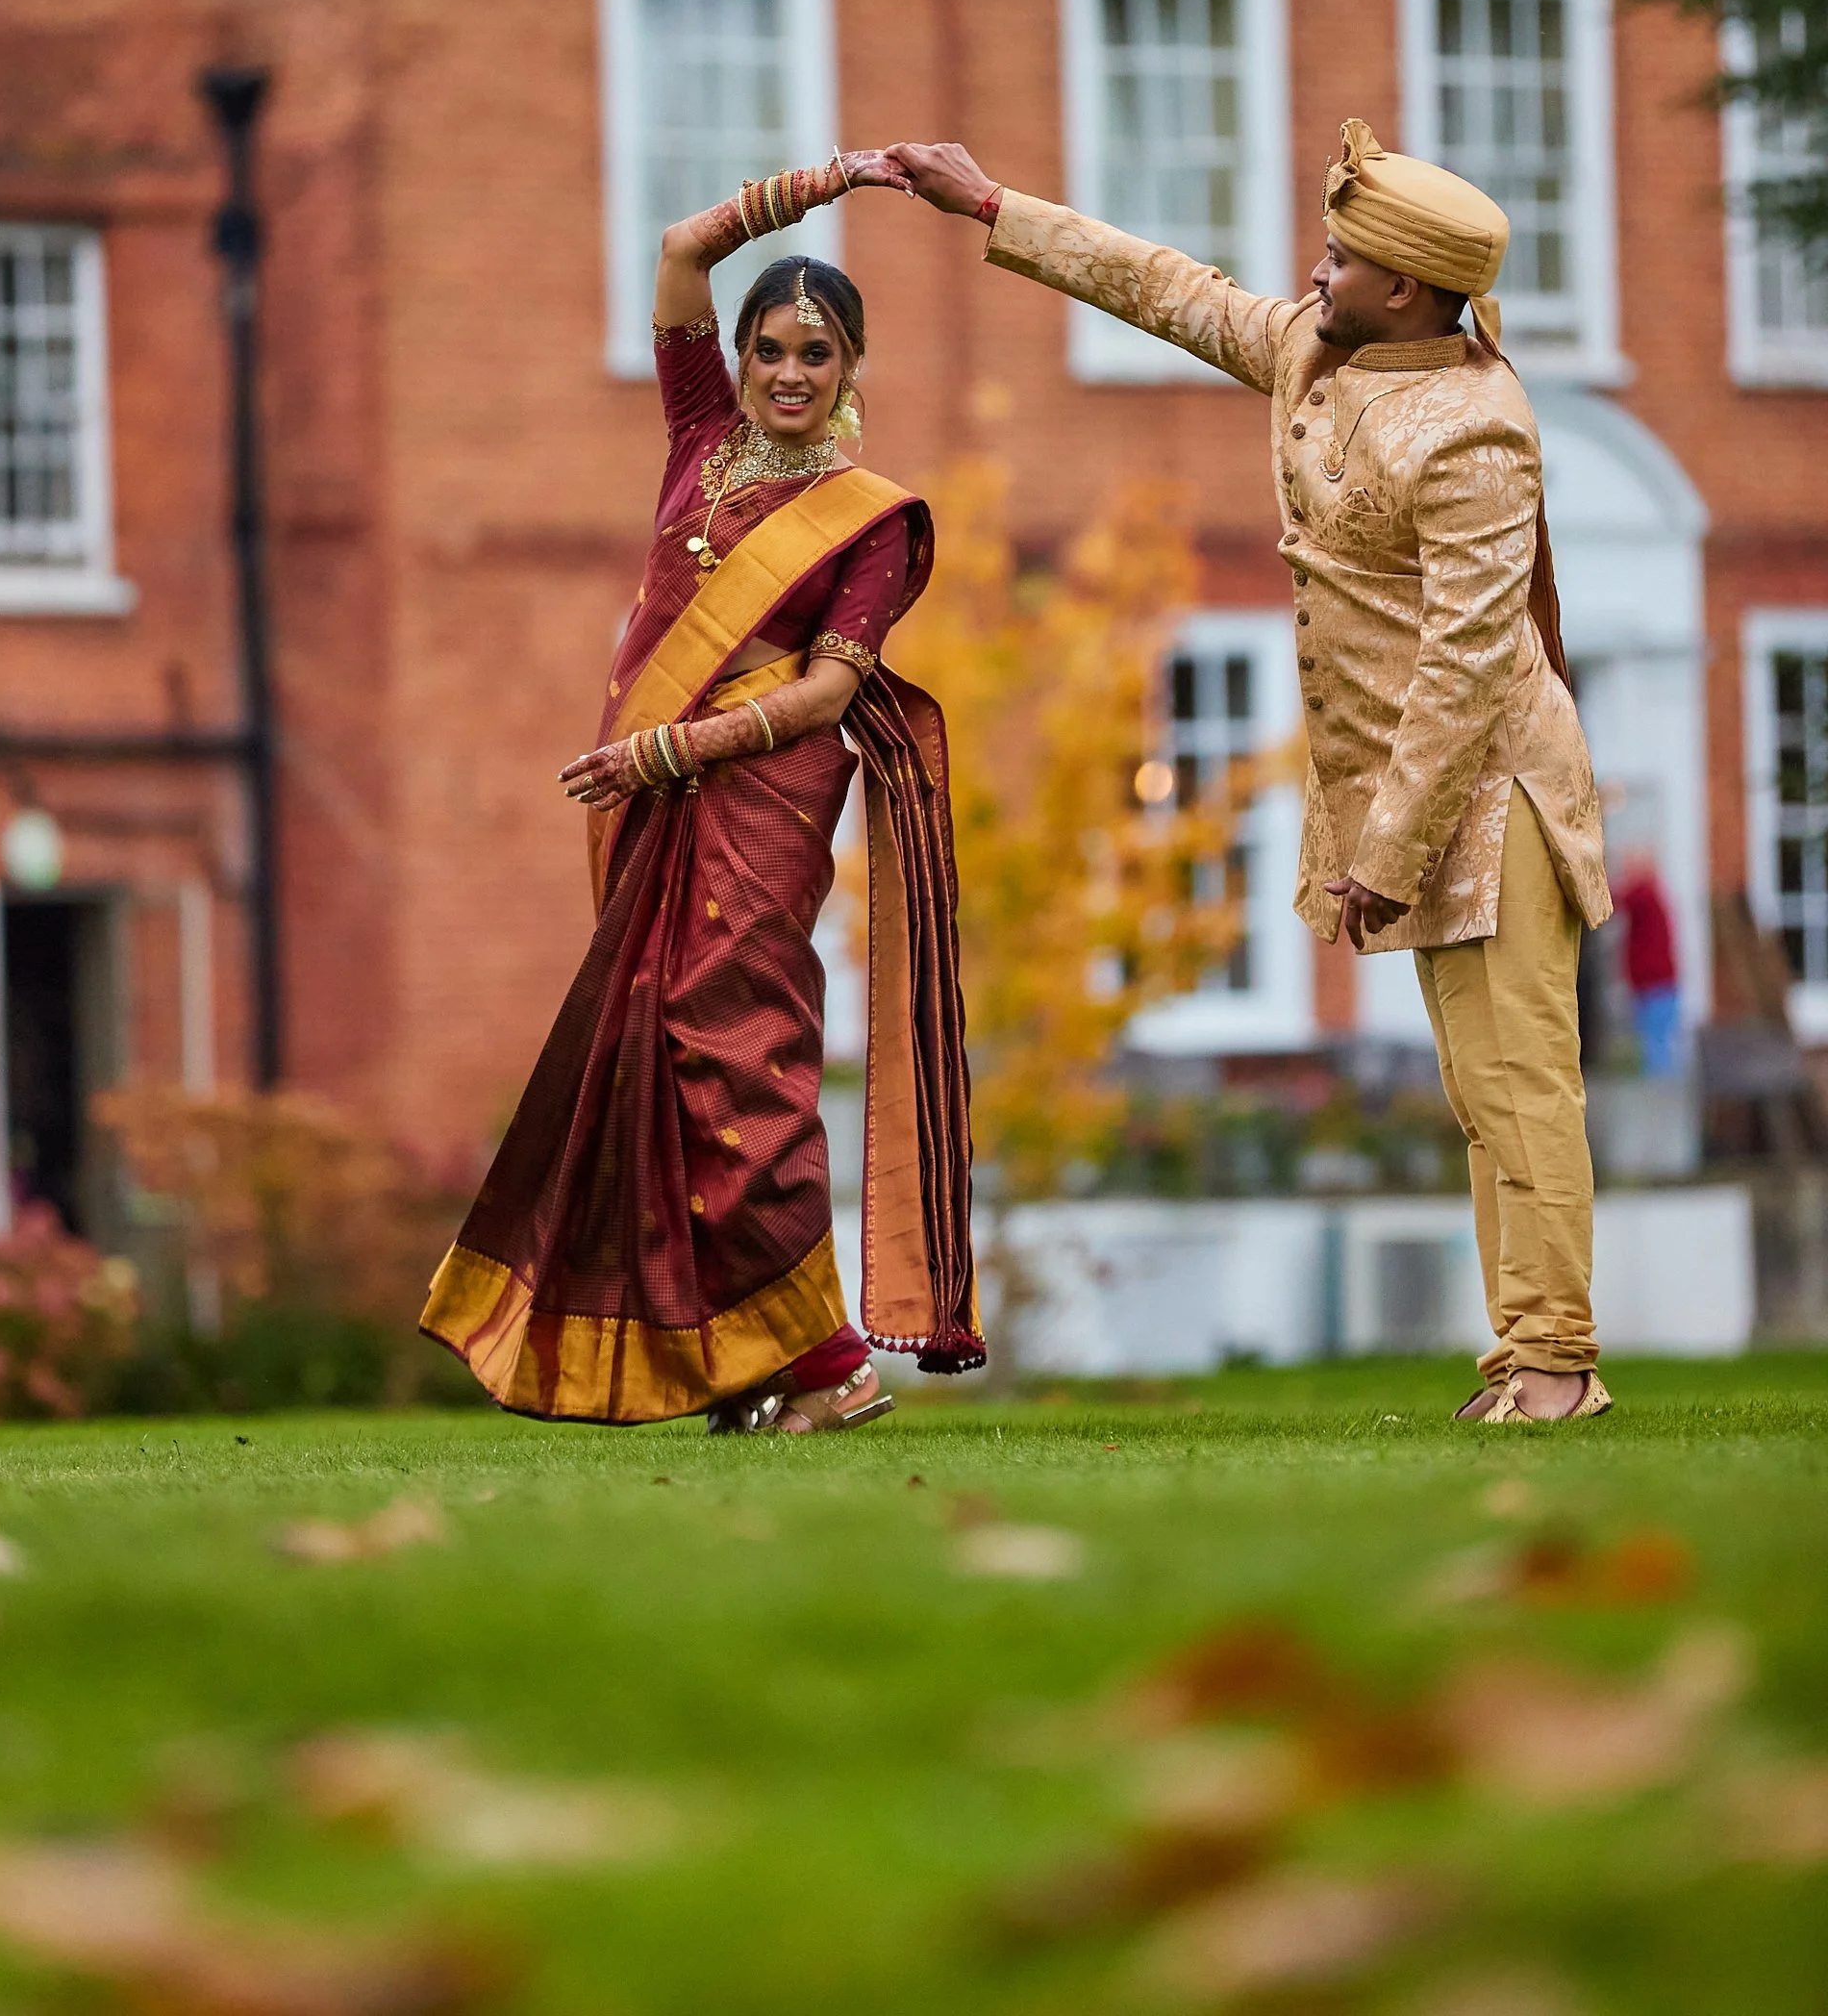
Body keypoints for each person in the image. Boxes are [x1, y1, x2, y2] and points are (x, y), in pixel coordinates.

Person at [889, 123, 1613, 1424]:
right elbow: (1167, 287)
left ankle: (1557, 1364)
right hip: (1417, 789)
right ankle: (1521, 1355)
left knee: (1520, 1081)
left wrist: (1380, 860)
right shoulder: (1312, 355)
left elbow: (1464, 673)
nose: (1313, 271)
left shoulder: (1479, 433)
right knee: (1478, 1091)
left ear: (1406, 288)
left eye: (1338, 256)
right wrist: (991, 206)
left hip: (1494, 789)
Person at [422, 152, 983, 1431]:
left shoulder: (871, 521)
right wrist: (827, 180)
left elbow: (834, 696)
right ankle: (740, 1361)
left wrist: (667, 753)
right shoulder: (698, 440)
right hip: (655, 809)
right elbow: (682, 248)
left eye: (818, 354)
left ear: (852, 371)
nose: (790, 374)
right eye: (770, 350)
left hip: (759, 806)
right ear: (735, 360)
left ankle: (829, 1367)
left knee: (740, 1061)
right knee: (660, 1065)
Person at [1615, 859, 1684, 1079]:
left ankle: (1658, 1101)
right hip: (1660, 984)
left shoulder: (1644, 895)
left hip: (1653, 985)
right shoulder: (1654, 897)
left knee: (1656, 1047)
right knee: (1659, 1045)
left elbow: (1612, 901)